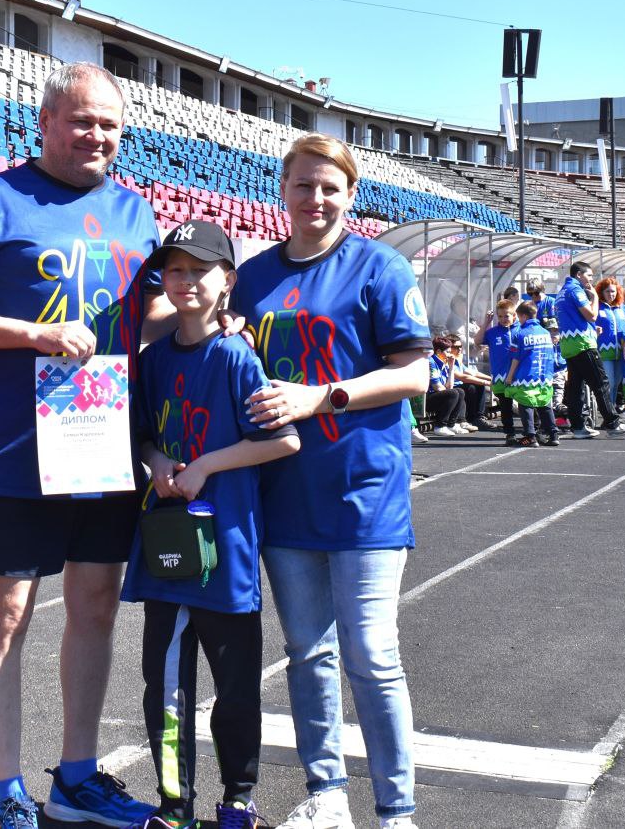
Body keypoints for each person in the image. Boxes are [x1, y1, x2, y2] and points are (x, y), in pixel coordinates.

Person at [0, 62, 171, 829]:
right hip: (18, 449)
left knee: (95, 605)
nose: (97, 136)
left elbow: (147, 321)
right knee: (6, 615)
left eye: (110, 126)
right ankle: (7, 789)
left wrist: (202, 319)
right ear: (47, 121)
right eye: (82, 120)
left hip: (105, 443)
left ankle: (77, 774)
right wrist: (34, 334)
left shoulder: (136, 213)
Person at [229, 133, 430, 829]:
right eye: (303, 185)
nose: (315, 199)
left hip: (364, 490)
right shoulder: (252, 278)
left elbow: (414, 372)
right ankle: (327, 796)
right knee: (306, 653)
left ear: (351, 194)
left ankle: (397, 811)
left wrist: (323, 397)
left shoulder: (381, 267)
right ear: (281, 190)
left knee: (371, 655)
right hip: (283, 494)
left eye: (329, 187)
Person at [122, 220, 300, 829]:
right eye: (175, 270)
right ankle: (175, 805)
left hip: (226, 551)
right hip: (168, 550)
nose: (186, 281)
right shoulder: (151, 361)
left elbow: (282, 441)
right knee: (166, 688)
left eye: (200, 270)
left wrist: (202, 466)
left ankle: (238, 799)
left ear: (228, 281)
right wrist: (159, 463)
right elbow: (142, 434)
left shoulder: (234, 354)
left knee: (235, 688)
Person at [554, 262, 625, 438]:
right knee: (601, 383)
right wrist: (595, 298)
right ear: (579, 275)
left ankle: (578, 427)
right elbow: (592, 315)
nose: (591, 279)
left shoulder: (561, 292)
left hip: (568, 345)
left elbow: (573, 319)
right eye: (589, 275)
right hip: (583, 344)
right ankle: (612, 424)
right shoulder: (575, 290)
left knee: (576, 387)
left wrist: (590, 328)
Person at [504, 301, 559, 447]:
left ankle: (530, 436)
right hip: (545, 375)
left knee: (525, 404)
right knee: (545, 403)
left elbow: (516, 358)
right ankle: (553, 434)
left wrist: (509, 377)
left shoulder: (520, 334)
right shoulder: (546, 333)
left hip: (527, 376)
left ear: (523, 316)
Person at [479, 300, 519, 445]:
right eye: (500, 316)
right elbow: (477, 341)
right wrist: (486, 323)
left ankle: (532, 431)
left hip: (518, 377)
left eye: (506, 316)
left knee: (526, 404)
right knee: (506, 407)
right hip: (500, 377)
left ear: (514, 315)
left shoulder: (520, 330)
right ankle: (510, 433)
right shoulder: (492, 332)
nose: (503, 319)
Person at [446, 333, 490, 431]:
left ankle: (478, 417)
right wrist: (487, 383)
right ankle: (468, 419)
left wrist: (491, 379)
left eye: (460, 346)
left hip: (459, 386)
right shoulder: (447, 360)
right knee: (471, 387)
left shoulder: (457, 360)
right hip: (450, 387)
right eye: (456, 347)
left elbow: (473, 373)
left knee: (479, 385)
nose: (460, 349)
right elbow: (463, 377)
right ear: (449, 348)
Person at [593, 276, 625, 406]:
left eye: (613, 291)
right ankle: (608, 413)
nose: (611, 294)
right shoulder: (597, 307)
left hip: (621, 351)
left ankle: (611, 409)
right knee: (609, 382)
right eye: (607, 291)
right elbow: (588, 321)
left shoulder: (621, 307)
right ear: (601, 292)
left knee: (617, 383)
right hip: (604, 351)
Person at [425, 337, 465, 437]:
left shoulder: (444, 363)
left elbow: (450, 386)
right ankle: (440, 426)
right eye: (447, 352)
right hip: (426, 398)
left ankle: (451, 424)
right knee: (453, 393)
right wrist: (449, 391)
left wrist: (451, 368)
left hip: (437, 395)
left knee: (459, 391)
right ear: (438, 351)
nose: (450, 355)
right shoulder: (431, 362)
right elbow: (437, 387)